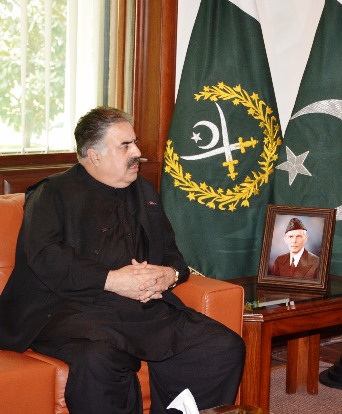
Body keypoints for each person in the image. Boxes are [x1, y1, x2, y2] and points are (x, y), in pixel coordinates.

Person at [0, 107, 245, 414]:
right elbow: (46, 258)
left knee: (222, 347)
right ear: (94, 155)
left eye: (135, 143)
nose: (138, 153)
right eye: (125, 146)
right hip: (66, 309)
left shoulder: (143, 192)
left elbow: (171, 252)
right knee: (100, 357)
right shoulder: (52, 194)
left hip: (135, 306)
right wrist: (115, 281)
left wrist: (168, 275)